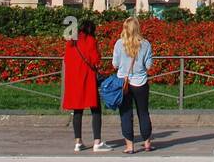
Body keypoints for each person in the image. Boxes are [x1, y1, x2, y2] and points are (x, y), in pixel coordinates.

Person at [63, 19, 110, 152]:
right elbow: (95, 59)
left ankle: (78, 142)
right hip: (88, 79)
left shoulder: (71, 42)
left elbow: (66, 60)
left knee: (77, 111)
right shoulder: (90, 40)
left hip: (73, 81)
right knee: (96, 109)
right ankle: (97, 142)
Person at [112, 17, 153, 154]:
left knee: (125, 114)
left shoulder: (119, 44)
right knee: (143, 112)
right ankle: (147, 143)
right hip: (140, 82)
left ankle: (130, 146)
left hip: (123, 83)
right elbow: (148, 65)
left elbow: (115, 64)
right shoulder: (146, 44)